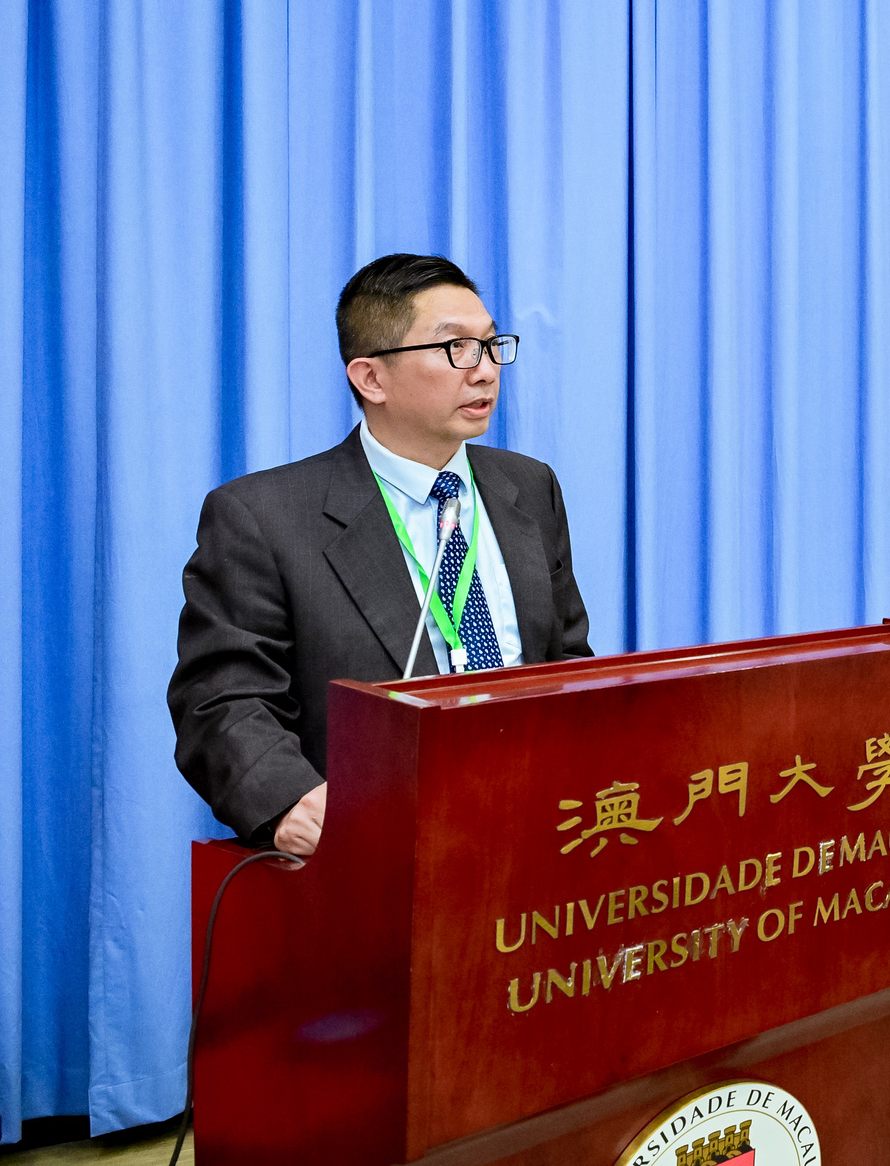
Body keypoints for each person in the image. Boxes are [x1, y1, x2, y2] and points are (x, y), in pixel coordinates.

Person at [169, 254, 593, 856]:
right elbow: (222, 699)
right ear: (371, 378)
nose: (485, 370)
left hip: (534, 835)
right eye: (455, 348)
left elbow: (568, 661)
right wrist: (288, 801)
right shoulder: (263, 517)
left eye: (490, 344)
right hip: (375, 847)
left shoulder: (528, 487)